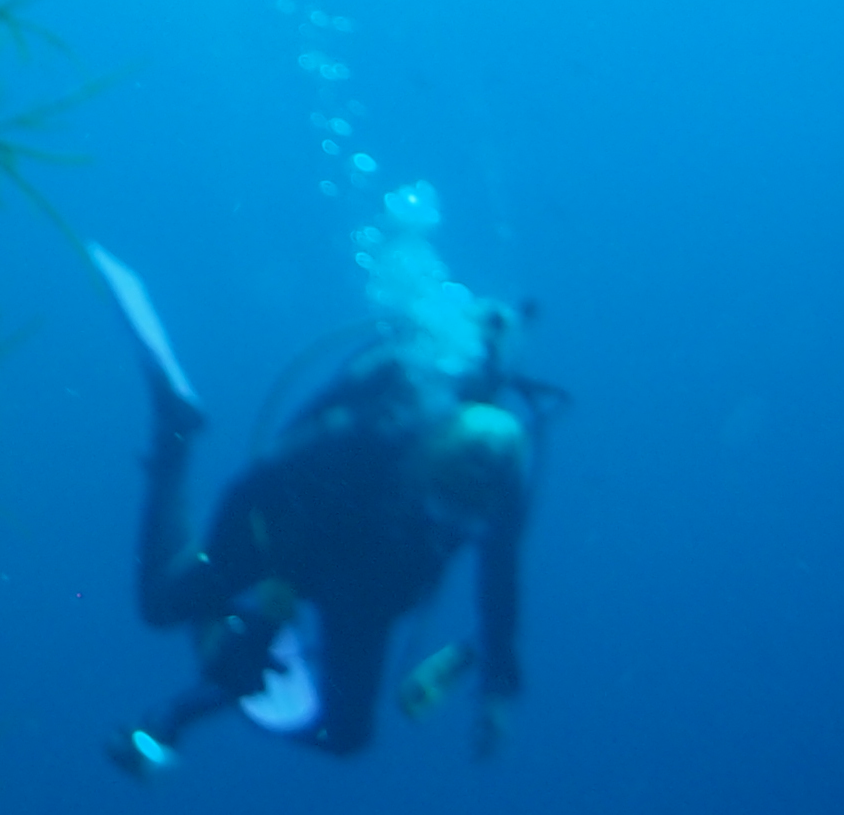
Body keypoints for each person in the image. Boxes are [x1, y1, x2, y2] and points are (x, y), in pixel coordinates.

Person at [99, 274, 542, 778]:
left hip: (371, 584)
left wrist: (498, 685)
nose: (443, 517)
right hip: (289, 531)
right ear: (426, 456)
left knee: (347, 734)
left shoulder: (503, 474)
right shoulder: (374, 433)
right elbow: (258, 484)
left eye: (460, 514)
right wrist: (252, 610)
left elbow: (500, 571)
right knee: (161, 605)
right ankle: (174, 431)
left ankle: (214, 679)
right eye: (440, 498)